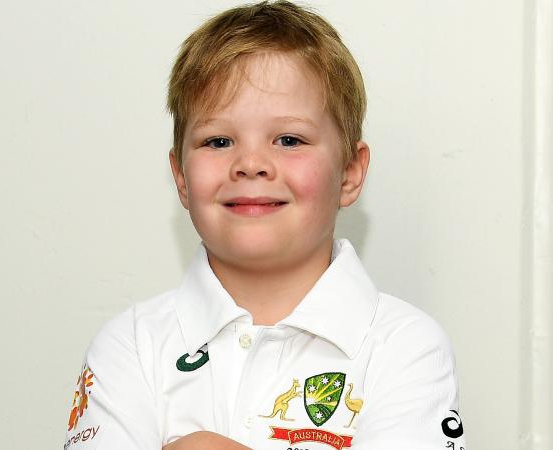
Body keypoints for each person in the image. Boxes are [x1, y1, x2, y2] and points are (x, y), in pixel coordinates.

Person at [63, 1, 467, 449]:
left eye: (289, 140)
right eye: (218, 141)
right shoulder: (131, 347)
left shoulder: (406, 348)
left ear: (350, 173)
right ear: (181, 178)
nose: (251, 163)